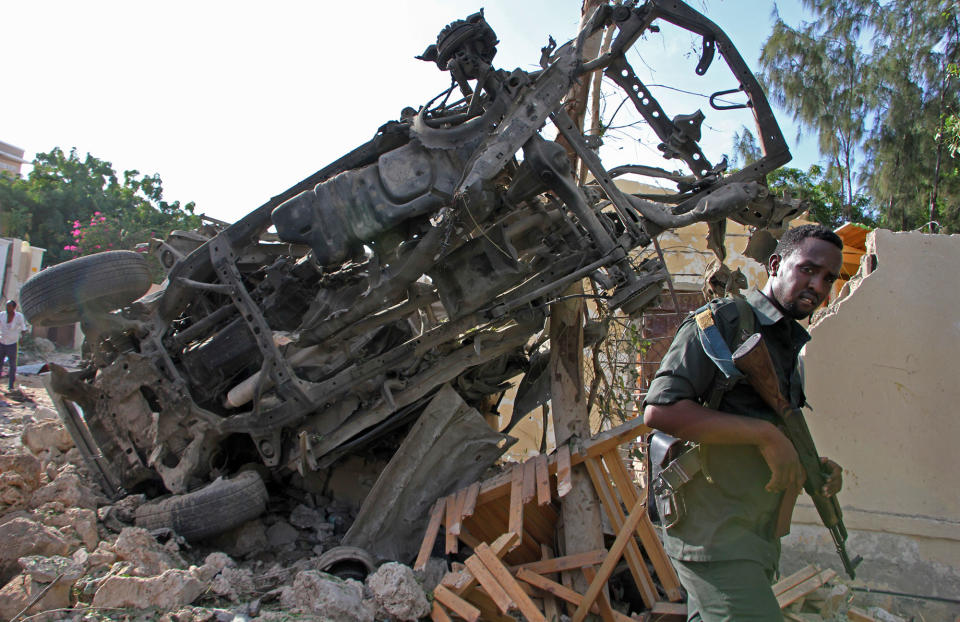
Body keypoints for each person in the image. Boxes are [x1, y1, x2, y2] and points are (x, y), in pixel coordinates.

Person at [642, 224, 846, 621]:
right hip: (712, 530)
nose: (817, 285)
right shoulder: (725, 321)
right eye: (807, 269)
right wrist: (764, 436)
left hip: (753, 535)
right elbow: (661, 410)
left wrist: (815, 471)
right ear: (775, 264)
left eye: (828, 278)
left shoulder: (789, 343)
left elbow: (773, 429)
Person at [0, 300, 29, 392]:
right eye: (7, 306)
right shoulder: (2, 315)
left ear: (14, 308)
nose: (7, 308)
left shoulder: (19, 316)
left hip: (12, 343)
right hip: (2, 342)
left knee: (12, 365)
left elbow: (24, 329)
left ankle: (11, 385)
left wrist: (22, 338)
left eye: (9, 306)